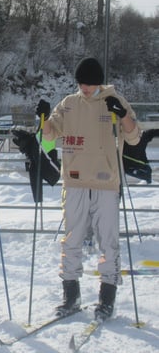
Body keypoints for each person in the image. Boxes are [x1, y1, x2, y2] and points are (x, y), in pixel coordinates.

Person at [35, 57, 141, 322]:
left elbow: (134, 136)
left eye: (90, 84)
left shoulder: (114, 100)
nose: (85, 88)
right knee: (71, 240)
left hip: (106, 183)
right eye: (82, 83)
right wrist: (43, 117)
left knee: (108, 241)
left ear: (99, 83)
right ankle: (71, 295)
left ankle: (107, 298)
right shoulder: (69, 104)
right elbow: (49, 135)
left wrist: (122, 114)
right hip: (74, 182)